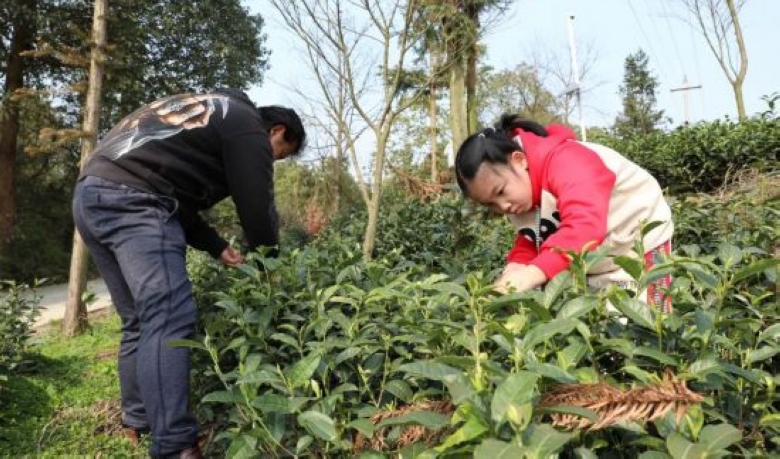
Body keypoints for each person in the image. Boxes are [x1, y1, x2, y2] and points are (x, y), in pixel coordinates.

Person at [72, 89, 306, 459]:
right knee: (168, 318)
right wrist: (270, 264)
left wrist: (216, 246)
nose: (272, 160)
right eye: (280, 155)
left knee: (139, 319)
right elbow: (257, 206)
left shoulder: (209, 109)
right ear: (277, 132)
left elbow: (172, 192)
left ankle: (137, 422)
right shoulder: (246, 125)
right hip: (136, 200)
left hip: (92, 195)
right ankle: (176, 446)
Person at [454, 114, 673, 310]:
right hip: (601, 255)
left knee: (651, 321)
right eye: (490, 204)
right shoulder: (519, 191)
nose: (502, 207)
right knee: (605, 327)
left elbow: (583, 227)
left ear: (519, 160)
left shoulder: (568, 161)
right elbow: (533, 237)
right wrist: (514, 269)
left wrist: (531, 274)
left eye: (500, 192)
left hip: (643, 241)